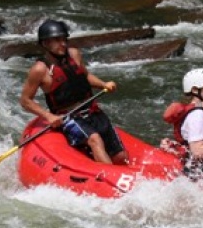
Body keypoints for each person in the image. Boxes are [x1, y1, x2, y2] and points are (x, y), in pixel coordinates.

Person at [19, 19, 128, 165]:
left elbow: (86, 76)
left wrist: (103, 84)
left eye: (64, 39)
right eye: (57, 40)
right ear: (45, 43)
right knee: (94, 139)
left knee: (120, 156)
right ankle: (109, 177)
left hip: (91, 109)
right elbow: (25, 101)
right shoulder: (40, 70)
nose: (63, 43)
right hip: (68, 116)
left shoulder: (74, 54)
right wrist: (48, 116)